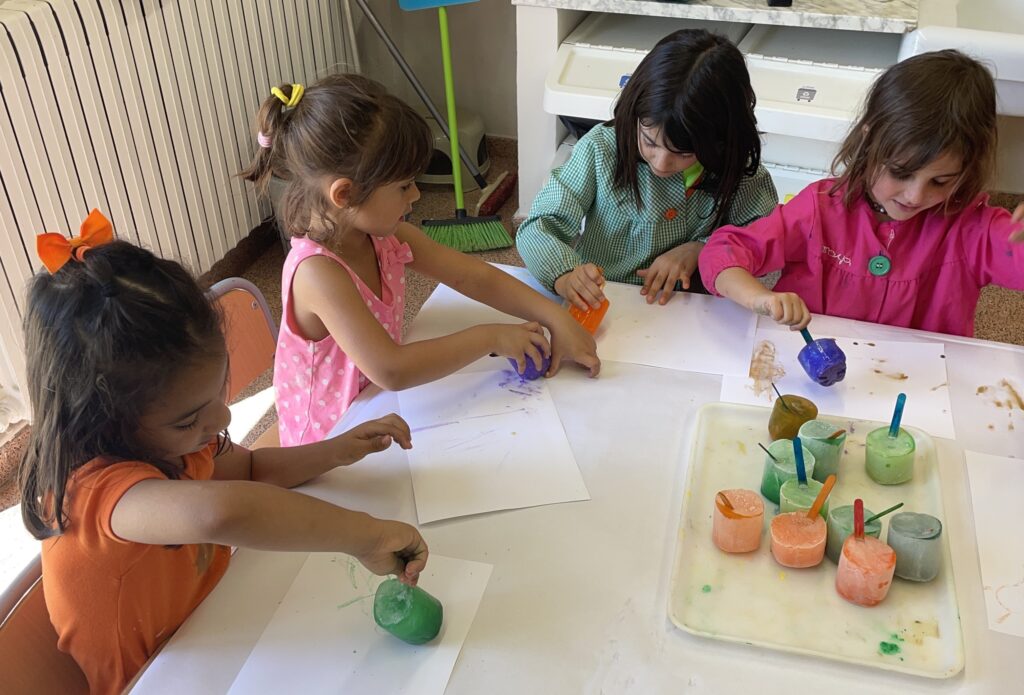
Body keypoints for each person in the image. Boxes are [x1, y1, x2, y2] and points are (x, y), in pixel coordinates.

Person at [21, 217, 428, 694]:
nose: (222, 419)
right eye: (189, 419)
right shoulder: (97, 493)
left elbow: (249, 470)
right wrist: (367, 537)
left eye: (218, 393)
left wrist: (334, 451)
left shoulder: (174, 440)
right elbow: (222, 512)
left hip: (222, 626)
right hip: (161, 677)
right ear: (104, 423)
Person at [242, 75, 599, 446]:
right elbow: (391, 369)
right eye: (403, 186)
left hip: (379, 412)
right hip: (328, 445)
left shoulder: (386, 236)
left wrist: (554, 315)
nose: (415, 196)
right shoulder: (317, 273)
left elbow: (473, 276)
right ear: (345, 194)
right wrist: (491, 336)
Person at [700, 50, 1024, 336]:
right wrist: (760, 297)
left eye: (940, 181)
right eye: (900, 172)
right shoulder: (818, 208)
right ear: (869, 142)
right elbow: (722, 253)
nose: (915, 196)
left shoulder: (974, 230)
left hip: (923, 380)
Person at [516, 28, 777, 309]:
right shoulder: (601, 149)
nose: (661, 162)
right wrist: (565, 275)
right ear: (635, 112)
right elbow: (538, 226)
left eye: (684, 153)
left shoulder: (740, 172)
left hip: (693, 312)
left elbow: (765, 242)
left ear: (720, 140)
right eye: (650, 141)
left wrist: (701, 249)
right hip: (603, 301)